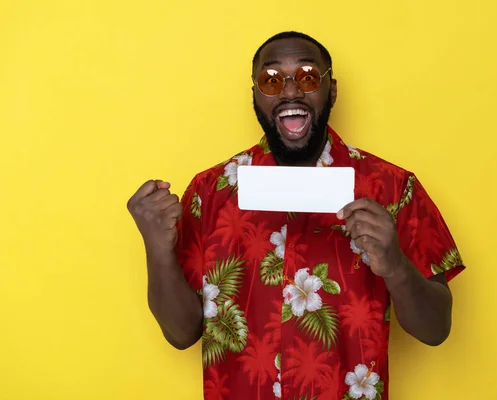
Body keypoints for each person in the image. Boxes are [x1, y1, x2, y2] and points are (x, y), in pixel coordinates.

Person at [127, 31, 465, 400]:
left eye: (307, 77)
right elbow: (181, 333)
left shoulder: (392, 188)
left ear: (331, 90)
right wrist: (157, 248)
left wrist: (396, 265)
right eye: (271, 80)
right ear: (255, 95)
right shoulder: (210, 192)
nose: (290, 92)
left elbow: (436, 330)